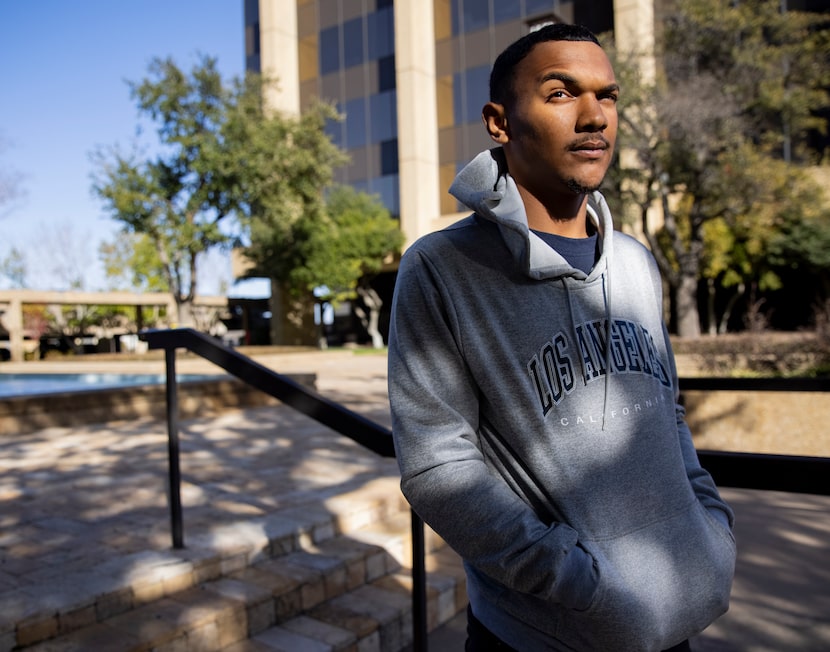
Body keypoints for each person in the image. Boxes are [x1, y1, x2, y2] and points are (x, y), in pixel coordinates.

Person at [387, 23, 736, 652]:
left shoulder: (634, 262)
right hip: (539, 637)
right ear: (499, 122)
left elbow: (668, 414)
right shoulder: (441, 269)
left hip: (679, 619)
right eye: (560, 93)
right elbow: (437, 465)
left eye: (607, 96)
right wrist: (580, 585)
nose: (593, 116)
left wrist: (711, 531)